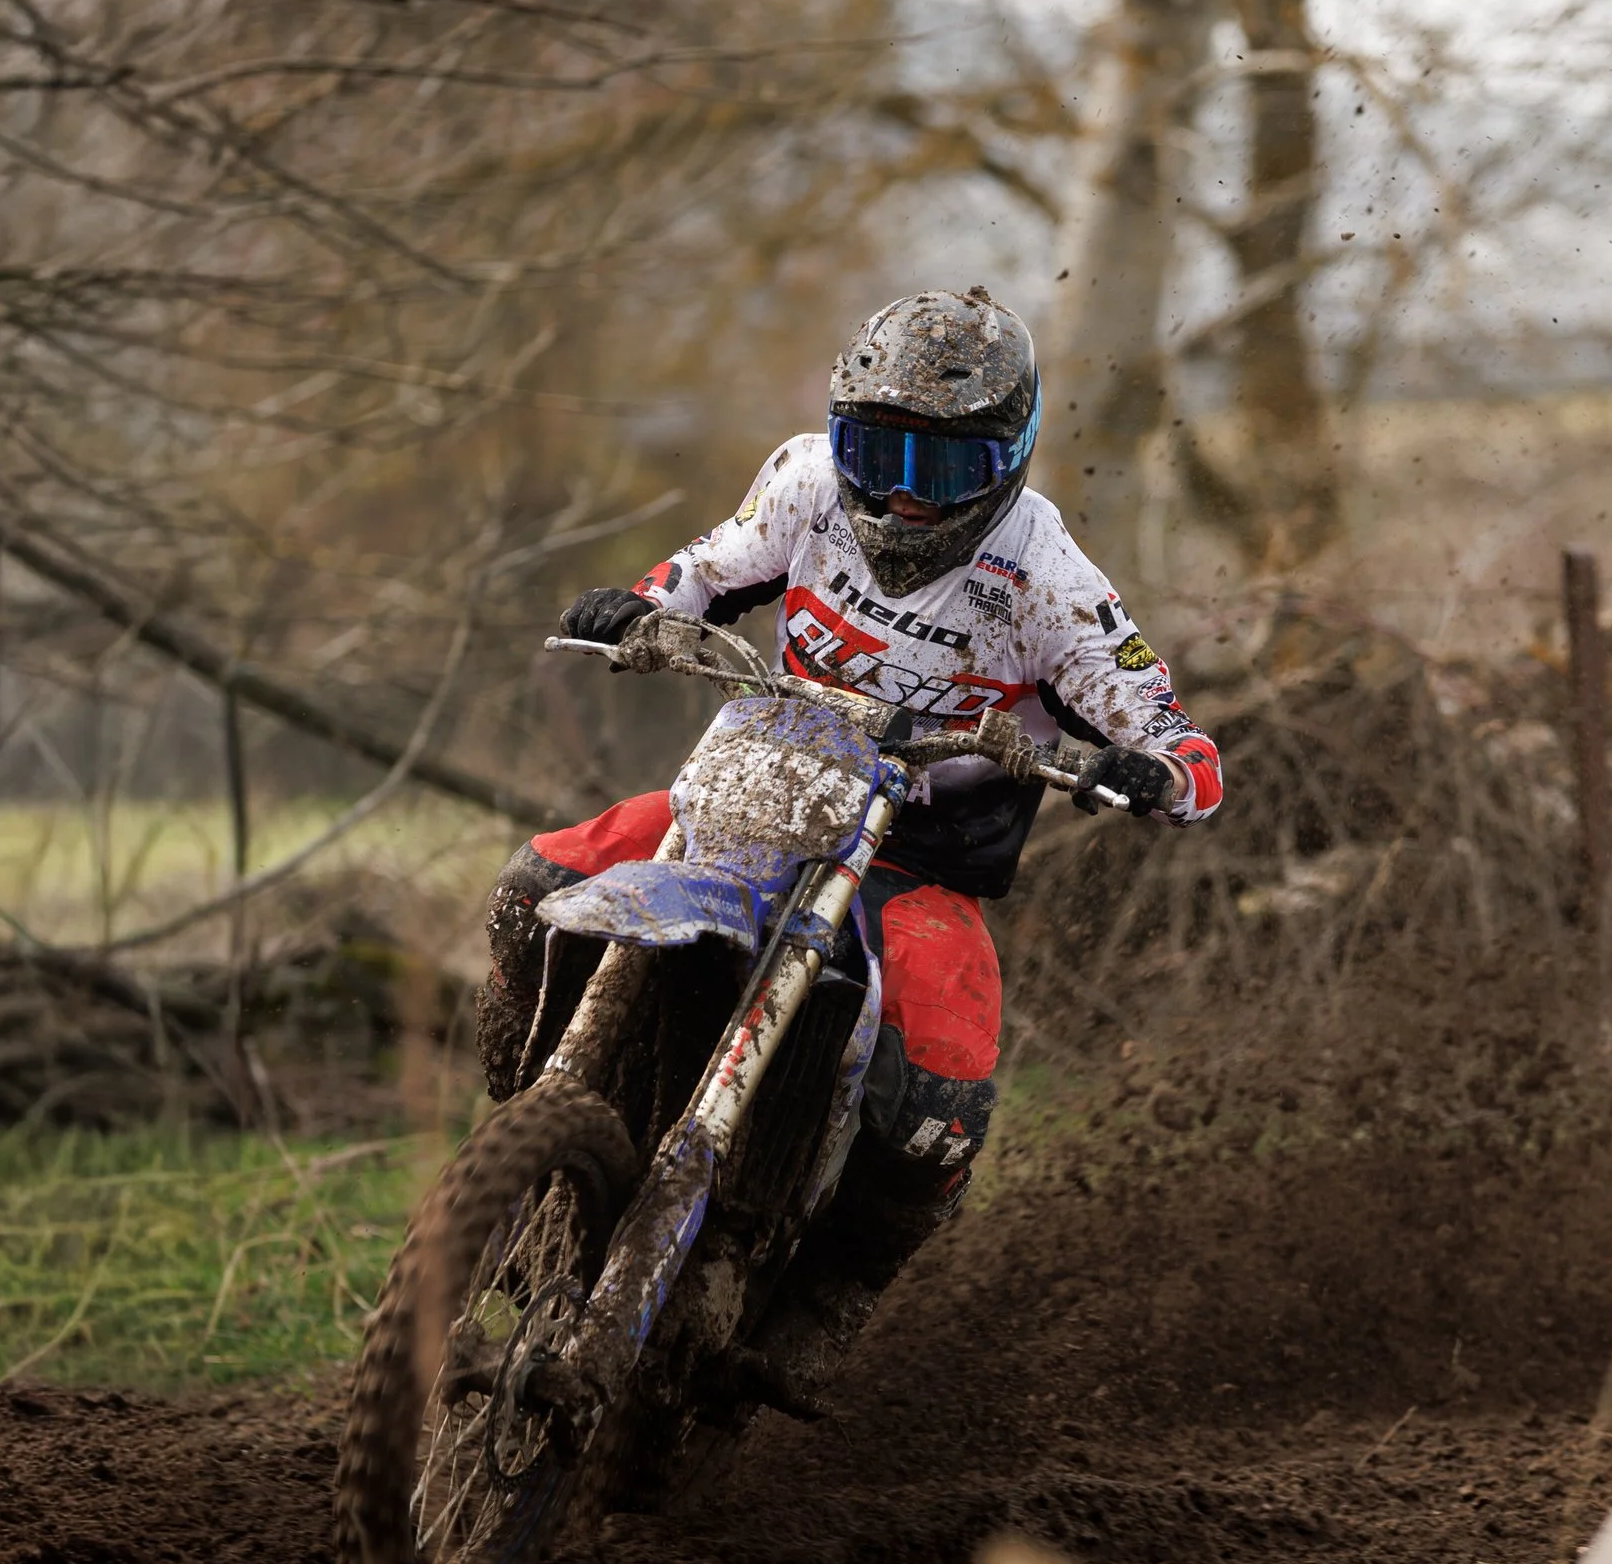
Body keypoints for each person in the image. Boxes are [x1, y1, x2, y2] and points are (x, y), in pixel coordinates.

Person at [475, 286, 1223, 1415]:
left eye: (945, 470)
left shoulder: (1051, 582)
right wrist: (640, 609)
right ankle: (528, 1126)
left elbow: (1179, 744)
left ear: (1008, 458)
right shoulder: (806, 484)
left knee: (941, 1092)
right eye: (881, 451)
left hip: (911, 854)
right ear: (839, 435)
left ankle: (839, 1291)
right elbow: (704, 571)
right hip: (753, 795)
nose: (908, 499)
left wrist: (1152, 772)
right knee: (533, 890)